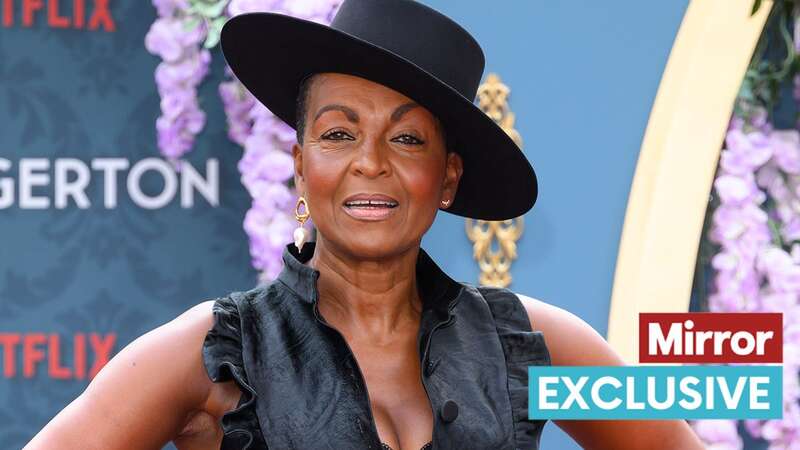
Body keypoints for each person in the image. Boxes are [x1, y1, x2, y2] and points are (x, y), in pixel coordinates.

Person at [25, 0, 705, 449]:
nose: (370, 164)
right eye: (339, 133)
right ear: (299, 164)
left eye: (407, 140)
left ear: (447, 178)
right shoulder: (211, 350)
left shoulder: (535, 341)